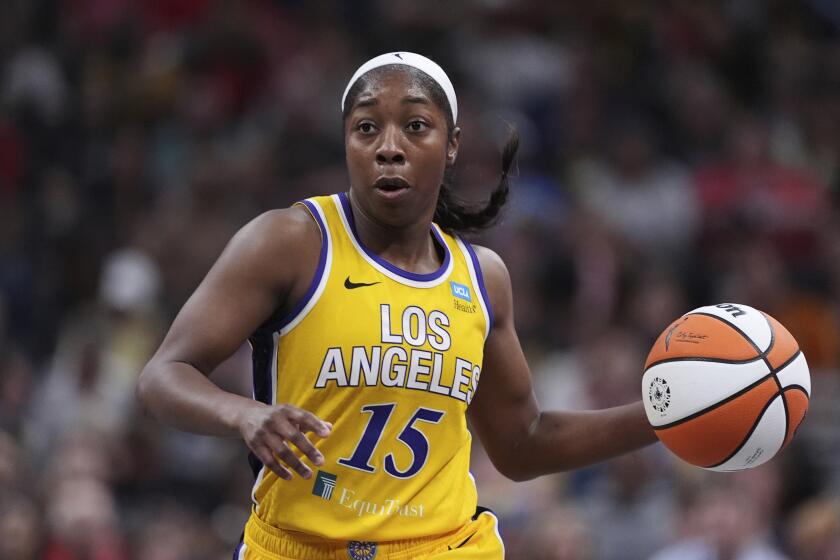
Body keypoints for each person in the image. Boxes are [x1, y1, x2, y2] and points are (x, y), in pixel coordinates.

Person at [137, 52, 657, 560]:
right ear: (346, 142)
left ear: (451, 145)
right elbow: (164, 374)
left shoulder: (482, 279)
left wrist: (665, 416)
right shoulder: (292, 241)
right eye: (366, 128)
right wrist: (245, 414)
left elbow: (522, 444)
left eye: (415, 126)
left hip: (443, 547)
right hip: (299, 546)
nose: (389, 147)